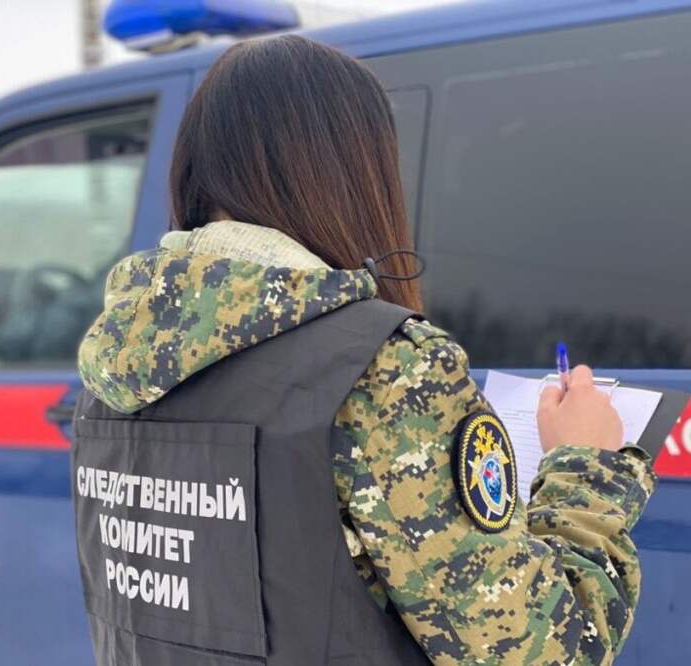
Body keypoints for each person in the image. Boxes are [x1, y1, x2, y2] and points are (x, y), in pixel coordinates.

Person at [71, 35, 656, 666]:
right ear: (353, 175)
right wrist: (587, 468)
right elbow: (544, 654)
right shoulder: (383, 370)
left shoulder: (114, 370)